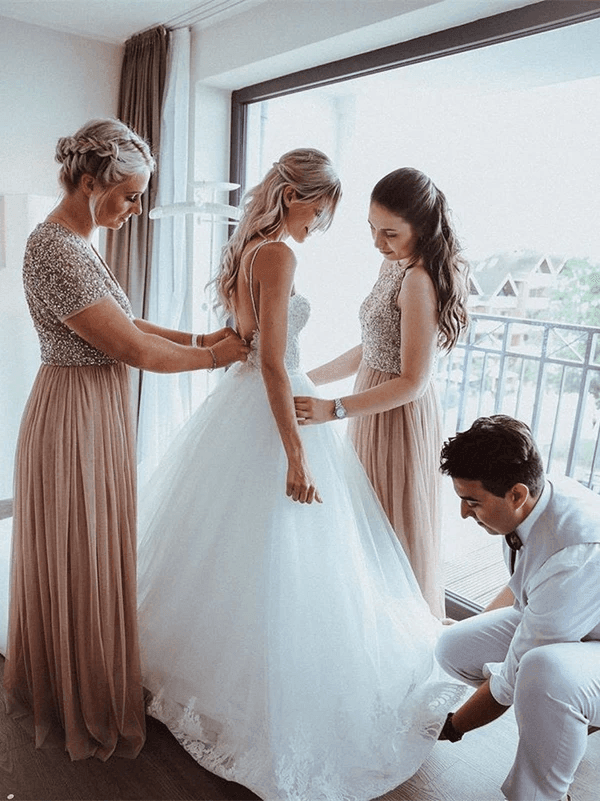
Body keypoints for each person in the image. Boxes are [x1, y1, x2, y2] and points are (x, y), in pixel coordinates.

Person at [136, 149, 463, 800]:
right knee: (290, 554)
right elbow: (277, 365)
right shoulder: (280, 254)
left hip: (262, 400)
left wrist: (322, 395)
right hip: (278, 406)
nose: (328, 226)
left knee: (236, 551)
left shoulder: (254, 248)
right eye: (325, 210)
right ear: (296, 197)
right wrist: (295, 451)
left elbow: (257, 346)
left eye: (381, 230)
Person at [3, 118, 249, 762]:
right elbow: (131, 347)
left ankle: (76, 676)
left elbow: (125, 318)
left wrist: (199, 339)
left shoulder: (81, 242)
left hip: (96, 408)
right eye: (130, 195)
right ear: (90, 183)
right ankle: (70, 692)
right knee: (79, 547)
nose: (136, 209)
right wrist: (217, 357)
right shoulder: (54, 247)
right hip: (73, 414)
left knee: (95, 540)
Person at [294, 167, 469, 618]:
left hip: (396, 414)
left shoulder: (419, 282)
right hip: (368, 404)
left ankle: (400, 635)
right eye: (371, 228)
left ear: (423, 229)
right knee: (365, 527)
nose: (377, 242)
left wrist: (332, 410)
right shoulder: (393, 263)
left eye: (389, 233)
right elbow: (372, 347)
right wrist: (305, 377)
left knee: (390, 531)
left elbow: (413, 381)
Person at [435, 414, 600, 801]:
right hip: (576, 627)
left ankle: (541, 793)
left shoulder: (576, 548)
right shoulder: (533, 501)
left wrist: (452, 726)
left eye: (471, 502)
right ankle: (561, 717)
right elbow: (522, 588)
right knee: (451, 647)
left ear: (516, 494)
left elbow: (518, 670)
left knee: (543, 673)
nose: (463, 513)